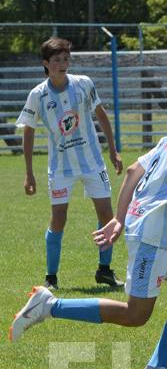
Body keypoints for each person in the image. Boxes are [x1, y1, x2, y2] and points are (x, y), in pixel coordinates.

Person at [10, 65, 167, 369]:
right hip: (154, 230)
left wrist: (119, 218)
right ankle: (49, 306)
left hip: (163, 228)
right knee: (136, 314)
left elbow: (134, 169)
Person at [16, 37, 125, 289]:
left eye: (66, 59)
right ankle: (51, 277)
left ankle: (105, 270)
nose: (63, 64)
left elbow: (101, 115)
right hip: (61, 168)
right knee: (59, 218)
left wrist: (113, 150)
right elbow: (29, 132)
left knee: (107, 215)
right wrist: (29, 173)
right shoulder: (38, 95)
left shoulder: (83, 84)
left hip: (92, 162)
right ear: (46, 64)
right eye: (57, 60)